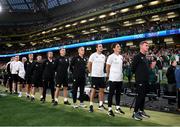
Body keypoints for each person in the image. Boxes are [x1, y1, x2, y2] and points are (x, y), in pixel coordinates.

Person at [131, 41, 150, 121]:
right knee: (140, 96)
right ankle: (135, 113)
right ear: (141, 46)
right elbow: (133, 68)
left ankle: (141, 111)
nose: (148, 47)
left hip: (145, 80)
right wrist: (139, 76)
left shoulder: (145, 57)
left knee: (143, 96)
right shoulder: (137, 56)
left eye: (148, 46)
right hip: (140, 80)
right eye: (146, 45)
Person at [106, 43, 125, 117]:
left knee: (118, 94)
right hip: (113, 78)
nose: (119, 47)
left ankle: (117, 108)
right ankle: (109, 109)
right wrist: (108, 76)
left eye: (119, 46)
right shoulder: (111, 57)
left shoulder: (121, 57)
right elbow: (107, 67)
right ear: (114, 48)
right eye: (117, 46)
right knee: (111, 94)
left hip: (119, 78)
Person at [88, 44, 106, 112]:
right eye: (100, 46)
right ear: (96, 48)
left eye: (102, 46)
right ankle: (91, 105)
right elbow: (89, 64)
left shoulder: (103, 56)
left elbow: (103, 66)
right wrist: (91, 73)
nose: (101, 47)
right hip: (95, 76)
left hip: (101, 76)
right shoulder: (93, 55)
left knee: (101, 91)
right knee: (93, 90)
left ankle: (101, 105)